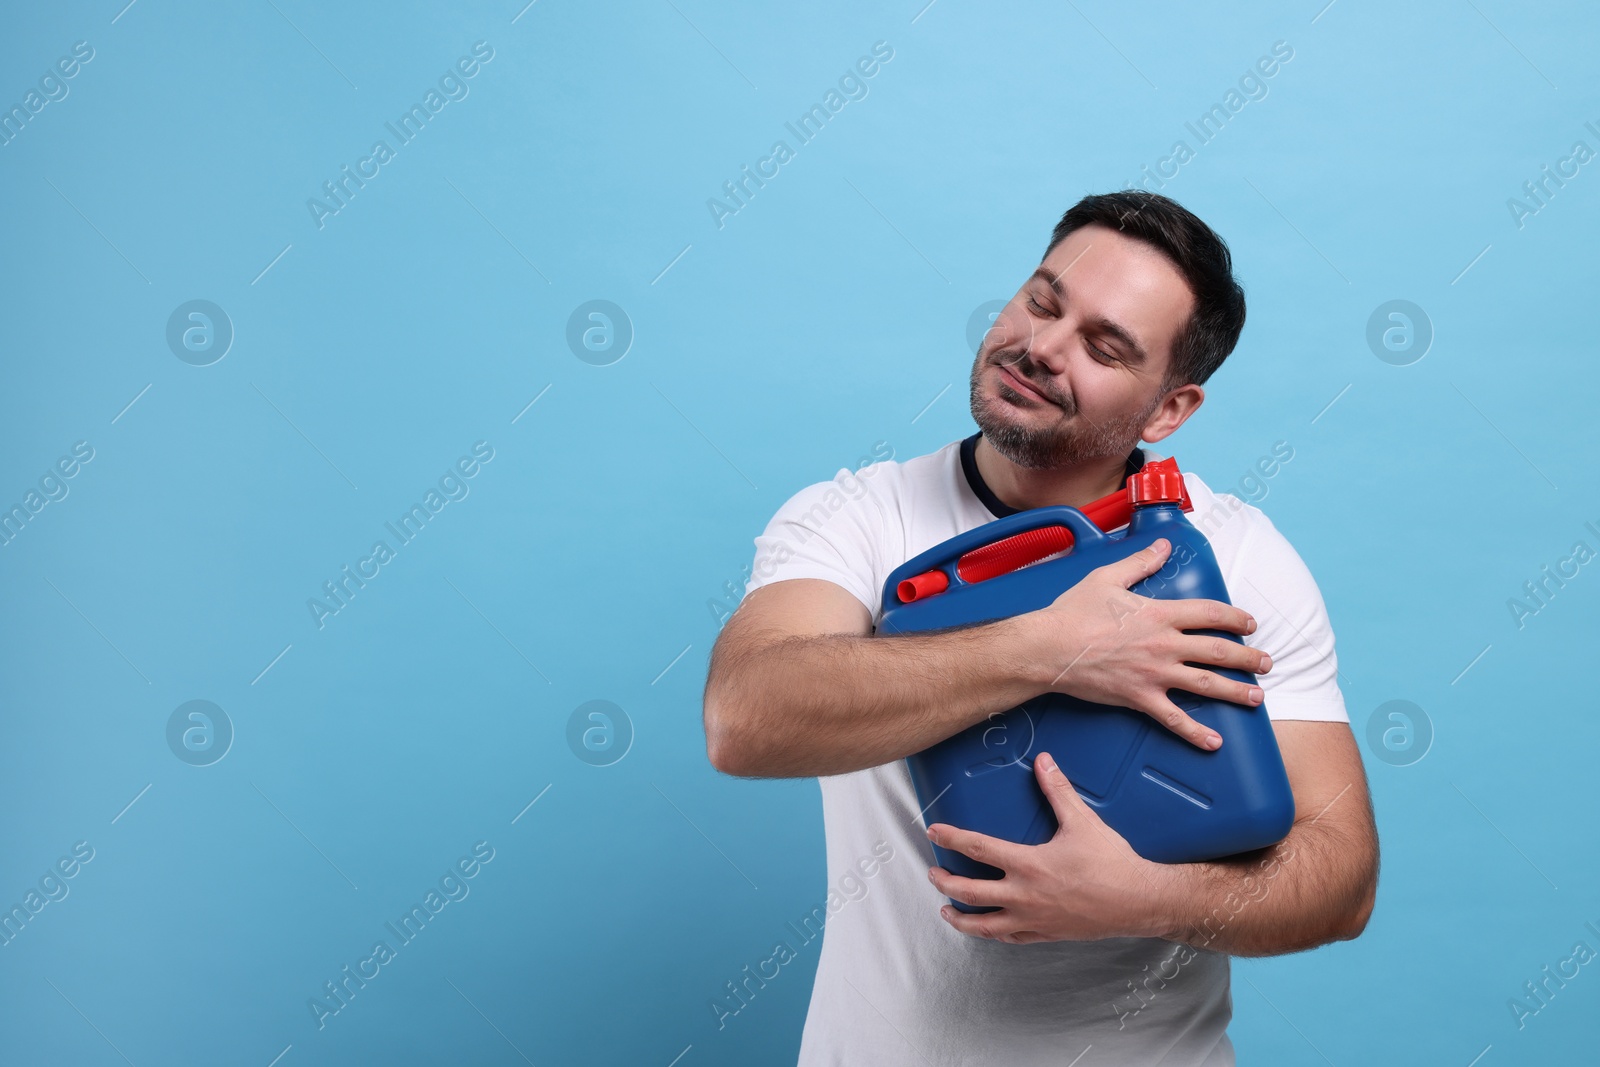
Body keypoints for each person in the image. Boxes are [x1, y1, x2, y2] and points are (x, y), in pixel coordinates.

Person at [702, 190, 1378, 1066]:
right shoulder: (856, 518)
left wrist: (1144, 897)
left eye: (1103, 347)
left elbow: (1341, 881)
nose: (1040, 347)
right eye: (1042, 300)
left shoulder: (1238, 559)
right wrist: (1054, 647)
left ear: (1168, 411)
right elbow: (746, 718)